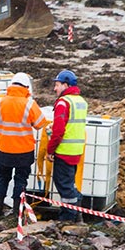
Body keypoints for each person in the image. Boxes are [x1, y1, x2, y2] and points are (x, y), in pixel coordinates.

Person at [0, 71, 45, 222]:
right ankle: (16, 212)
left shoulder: (0, 102)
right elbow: (41, 124)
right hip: (23, 151)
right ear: (27, 87)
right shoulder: (29, 104)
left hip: (4, 149)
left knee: (2, 178)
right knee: (20, 180)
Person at [44, 69, 87, 218]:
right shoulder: (81, 101)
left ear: (65, 85)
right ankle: (77, 208)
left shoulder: (63, 103)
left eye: (57, 85)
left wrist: (50, 150)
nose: (55, 88)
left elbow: (59, 131)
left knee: (64, 185)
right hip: (76, 150)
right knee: (69, 183)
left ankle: (69, 216)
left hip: (64, 151)